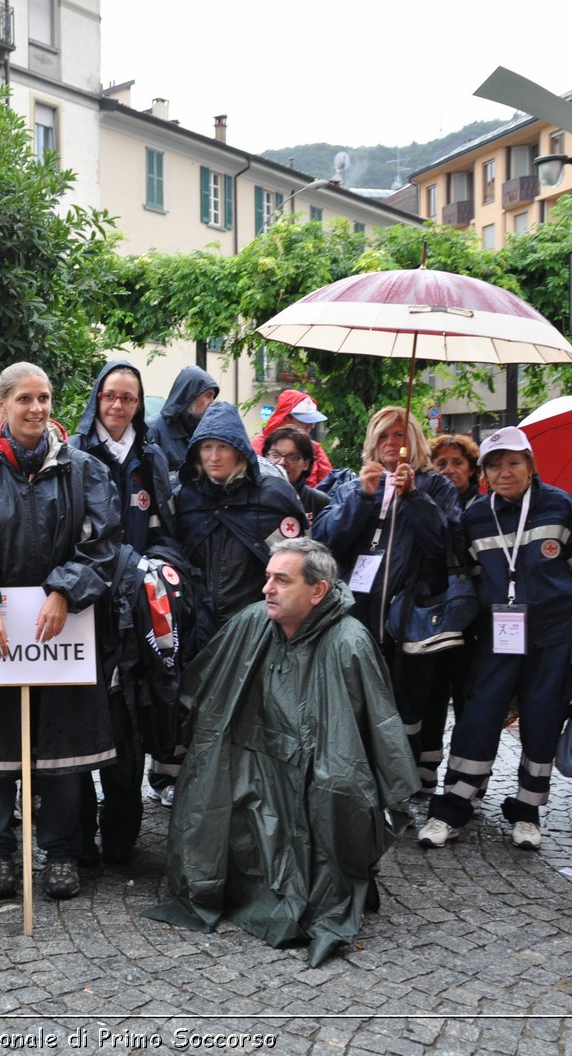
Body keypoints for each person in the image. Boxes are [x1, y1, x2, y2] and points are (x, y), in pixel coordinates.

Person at [145, 539, 419, 967]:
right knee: (209, 776)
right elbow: (207, 692)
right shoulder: (252, 623)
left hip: (316, 763)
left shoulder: (349, 642)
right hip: (253, 752)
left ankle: (323, 888)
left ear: (318, 591)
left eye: (281, 580)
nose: (267, 588)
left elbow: (372, 733)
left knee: (337, 787)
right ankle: (229, 884)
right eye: (268, 577)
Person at [0, 361, 120, 901]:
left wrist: (66, 589)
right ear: (1, 403)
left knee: (62, 753)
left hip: (61, 635)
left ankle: (62, 852)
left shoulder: (83, 469)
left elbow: (103, 540)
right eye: (25, 399)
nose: (37, 409)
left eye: (44, 398)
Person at [420, 427, 572, 852]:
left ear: (529, 465)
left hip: (553, 637)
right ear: (484, 472)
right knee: (478, 718)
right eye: (495, 464)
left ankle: (527, 811)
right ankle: (452, 808)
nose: (504, 472)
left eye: (513, 462)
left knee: (542, 722)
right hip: (497, 638)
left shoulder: (560, 507)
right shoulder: (476, 516)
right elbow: (464, 578)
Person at [70, 358, 176, 864]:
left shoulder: (150, 458)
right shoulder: (72, 453)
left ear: (138, 405)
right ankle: (73, 836)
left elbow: (162, 531)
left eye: (128, 398)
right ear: (97, 397)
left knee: (128, 723)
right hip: (81, 605)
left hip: (133, 612)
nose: (118, 405)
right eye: (110, 395)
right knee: (76, 723)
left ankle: (119, 834)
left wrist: (154, 571)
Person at [311, 408, 461, 757]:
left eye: (400, 435)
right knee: (352, 700)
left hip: (409, 619)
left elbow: (443, 544)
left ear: (415, 442)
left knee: (405, 704)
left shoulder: (435, 485)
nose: (392, 443)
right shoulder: (351, 486)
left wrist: (412, 496)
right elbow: (326, 543)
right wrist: (363, 497)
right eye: (383, 436)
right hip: (355, 616)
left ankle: (400, 782)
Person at [171, 401, 308, 642]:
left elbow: (296, 565)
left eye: (223, 446)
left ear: (238, 449)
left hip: (256, 628)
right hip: (196, 628)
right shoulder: (185, 498)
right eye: (207, 447)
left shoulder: (273, 496)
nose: (214, 456)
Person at [409, 432, 483, 793]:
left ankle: (470, 773)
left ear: (472, 469)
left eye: (458, 463)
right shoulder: (432, 499)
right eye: (442, 464)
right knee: (433, 691)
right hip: (438, 609)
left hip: (477, 617)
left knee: (468, 694)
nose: (450, 469)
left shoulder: (484, 509)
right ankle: (427, 765)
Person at [252, 388, 332, 488]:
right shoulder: (254, 449)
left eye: (313, 421)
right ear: (285, 418)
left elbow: (330, 486)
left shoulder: (315, 449)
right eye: (305, 421)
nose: (311, 426)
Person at [145, 365, 218, 473]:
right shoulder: (152, 429)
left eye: (213, 397)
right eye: (208, 395)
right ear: (190, 395)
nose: (212, 403)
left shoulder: (205, 432)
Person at [262, 424, 331, 524]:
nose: (282, 462)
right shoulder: (250, 498)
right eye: (275, 455)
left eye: (292, 457)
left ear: (306, 464)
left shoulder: (318, 502)